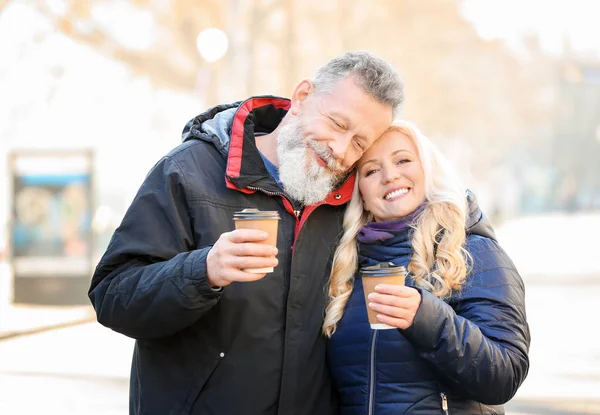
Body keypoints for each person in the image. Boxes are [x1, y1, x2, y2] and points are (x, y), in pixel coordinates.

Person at [88, 51, 404, 415]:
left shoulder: (351, 201)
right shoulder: (188, 171)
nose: (340, 149)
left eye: (360, 144)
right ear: (302, 97)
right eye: (336, 123)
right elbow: (113, 295)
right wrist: (203, 270)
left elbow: (429, 202)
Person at [324, 121, 530, 415]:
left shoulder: (472, 251)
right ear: (361, 194)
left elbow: (504, 376)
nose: (390, 175)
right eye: (371, 170)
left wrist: (427, 319)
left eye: (403, 160)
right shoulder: (346, 270)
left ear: (428, 171)